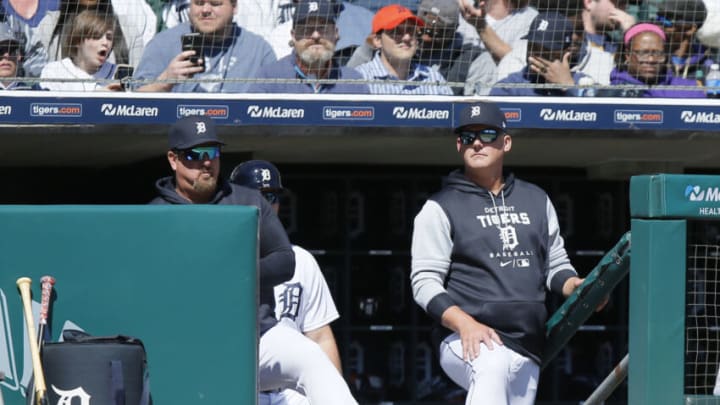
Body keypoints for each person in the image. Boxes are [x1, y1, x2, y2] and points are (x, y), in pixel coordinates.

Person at [150, 116, 358, 405]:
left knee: (311, 357)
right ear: (174, 159)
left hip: (256, 338)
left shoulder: (247, 200)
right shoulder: (155, 214)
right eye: (195, 154)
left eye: (212, 152)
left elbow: (285, 261)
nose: (206, 162)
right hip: (189, 343)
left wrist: (229, 274)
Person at [410, 101, 592, 405]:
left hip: (528, 343)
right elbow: (424, 282)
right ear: (459, 145)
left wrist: (573, 285)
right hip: (465, 336)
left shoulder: (536, 198)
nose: (477, 142)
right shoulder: (439, 206)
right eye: (468, 137)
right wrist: (464, 323)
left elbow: (555, 265)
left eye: (488, 134)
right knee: (491, 363)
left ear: (505, 142)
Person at [229, 160, 345, 405]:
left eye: (272, 196)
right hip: (245, 385)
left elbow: (320, 335)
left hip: (291, 391)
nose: (265, 204)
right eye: (257, 196)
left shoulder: (301, 259)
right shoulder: (223, 260)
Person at [133, 0, 276, 93]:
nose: (205, 10)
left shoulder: (258, 50)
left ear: (234, 7)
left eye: (215, 3)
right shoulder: (162, 44)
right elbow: (135, 103)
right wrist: (165, 81)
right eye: (199, 3)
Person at [248, 0, 369, 94]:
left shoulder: (354, 82)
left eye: (323, 28)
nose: (316, 35)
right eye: (306, 29)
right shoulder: (269, 78)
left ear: (336, 34)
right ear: (293, 36)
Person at [355, 4, 453, 95]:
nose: (406, 37)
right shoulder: (359, 79)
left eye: (411, 30)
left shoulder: (433, 78)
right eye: (396, 31)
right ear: (377, 40)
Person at [490, 11, 591, 96]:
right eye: (532, 47)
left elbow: (602, 114)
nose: (533, 56)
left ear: (566, 53)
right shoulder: (510, 87)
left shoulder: (584, 83)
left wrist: (569, 87)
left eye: (545, 50)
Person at [596, 23, 706, 98]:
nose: (651, 59)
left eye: (658, 53)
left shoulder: (690, 91)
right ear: (627, 55)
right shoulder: (612, 95)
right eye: (643, 53)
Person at [39, 10, 123, 91]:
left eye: (109, 37)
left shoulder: (117, 74)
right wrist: (97, 97)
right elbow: (50, 104)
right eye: (97, 36)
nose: (105, 42)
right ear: (78, 41)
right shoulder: (54, 71)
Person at [655, 0, 713, 81]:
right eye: (658, 18)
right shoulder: (649, 61)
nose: (659, 26)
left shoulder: (710, 67)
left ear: (690, 29)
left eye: (667, 21)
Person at [0, 21, 42, 89]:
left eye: (11, 49)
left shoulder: (37, 93)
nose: (7, 55)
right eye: (0, 51)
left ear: (19, 55)